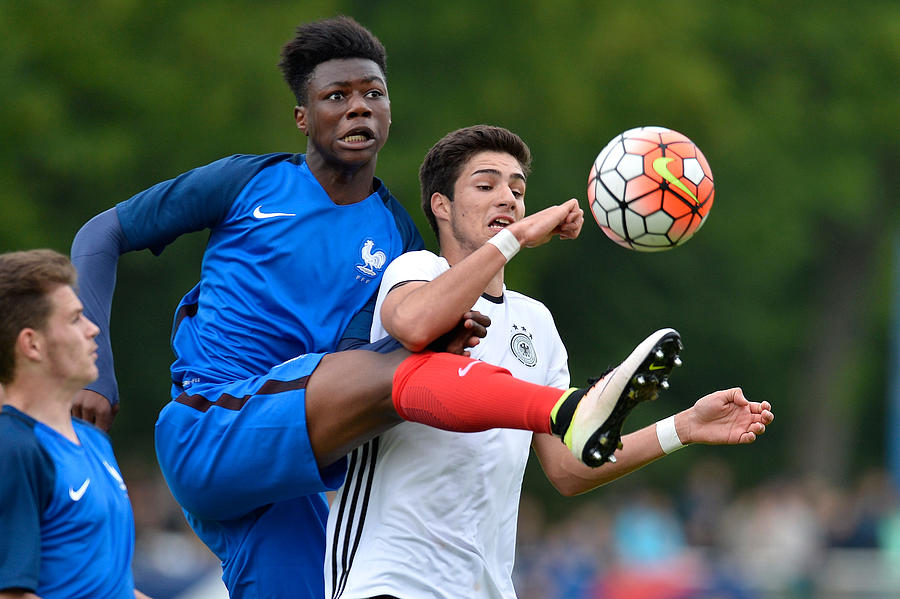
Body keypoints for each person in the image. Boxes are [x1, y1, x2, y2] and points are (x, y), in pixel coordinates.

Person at [69, 16, 683, 599]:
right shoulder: (247, 183)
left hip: (293, 471)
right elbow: (100, 235)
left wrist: (682, 430)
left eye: (374, 93)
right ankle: (567, 411)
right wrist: (95, 368)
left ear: (390, 111)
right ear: (302, 117)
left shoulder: (397, 237)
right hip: (214, 424)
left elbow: (557, 467)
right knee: (408, 360)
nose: (359, 105)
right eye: (337, 95)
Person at [325, 125, 776, 599]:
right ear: (442, 206)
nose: (508, 198)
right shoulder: (418, 270)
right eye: (486, 185)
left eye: (517, 190)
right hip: (388, 579)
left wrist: (681, 428)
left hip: (487, 589)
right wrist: (517, 236)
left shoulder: (535, 322)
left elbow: (568, 469)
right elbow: (415, 324)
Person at [0, 249, 150, 599]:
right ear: (32, 344)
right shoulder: (13, 448)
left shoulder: (95, 441)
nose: (93, 329)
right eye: (75, 319)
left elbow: (113, 588)